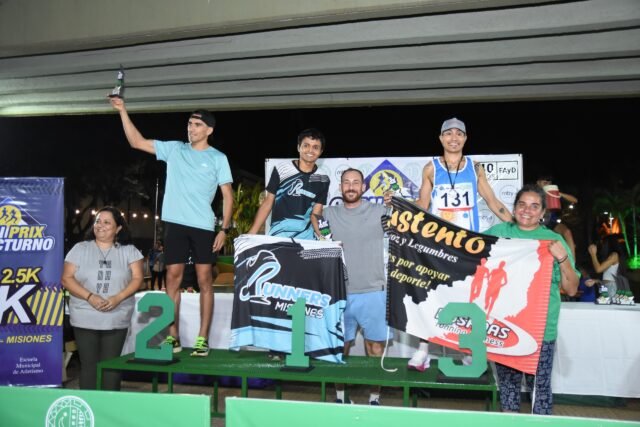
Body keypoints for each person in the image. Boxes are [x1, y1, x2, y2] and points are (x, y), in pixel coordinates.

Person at [110, 98, 234, 357]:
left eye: (197, 125)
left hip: (203, 226)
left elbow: (228, 195)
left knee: (204, 280)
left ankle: (202, 339)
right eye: (189, 123)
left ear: (209, 130)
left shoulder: (218, 158)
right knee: (172, 279)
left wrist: (224, 230)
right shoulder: (175, 149)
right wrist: (122, 111)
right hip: (175, 224)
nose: (191, 128)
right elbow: (136, 142)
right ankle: (173, 337)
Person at [406, 117, 513, 371]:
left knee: (468, 297)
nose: (453, 138)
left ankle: (468, 351)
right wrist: (400, 205)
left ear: (465, 138)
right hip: (439, 243)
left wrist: (517, 226)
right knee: (430, 295)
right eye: (448, 134)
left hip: (468, 245)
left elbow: (493, 202)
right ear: (441, 138)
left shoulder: (475, 168)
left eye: (458, 134)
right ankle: (423, 351)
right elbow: (423, 205)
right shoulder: (430, 168)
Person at [485, 184, 579, 415]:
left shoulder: (553, 240)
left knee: (540, 390)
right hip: (506, 327)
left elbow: (571, 289)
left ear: (543, 212)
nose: (527, 210)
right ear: (515, 207)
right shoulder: (497, 234)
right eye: (522, 204)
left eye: (534, 206)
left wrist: (562, 258)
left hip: (540, 330)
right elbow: (467, 259)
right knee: (508, 389)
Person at [324, 168, 389, 405]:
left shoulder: (380, 211)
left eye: (355, 182)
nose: (351, 186)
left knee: (375, 348)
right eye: (346, 182)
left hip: (373, 291)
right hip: (339, 293)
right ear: (340, 187)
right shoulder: (328, 213)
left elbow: (415, 214)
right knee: (339, 348)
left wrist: (398, 202)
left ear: (363, 187)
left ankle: (374, 399)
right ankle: (341, 398)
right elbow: (306, 220)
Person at [61, 206, 144, 390]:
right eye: (98, 221)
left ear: (118, 228)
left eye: (107, 222)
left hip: (116, 316)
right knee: (88, 366)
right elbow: (66, 278)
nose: (100, 225)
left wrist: (117, 298)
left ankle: (109, 405)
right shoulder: (79, 249)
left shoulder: (130, 251)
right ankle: (88, 405)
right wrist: (90, 297)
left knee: (111, 367)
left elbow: (138, 278)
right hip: (84, 316)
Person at [248, 128, 329, 239]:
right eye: (306, 145)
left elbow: (317, 214)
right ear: (298, 147)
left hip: (306, 240)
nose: (310, 150)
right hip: (279, 236)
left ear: (321, 151)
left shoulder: (323, 178)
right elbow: (268, 203)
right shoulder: (281, 169)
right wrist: (251, 234)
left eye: (315, 147)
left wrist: (327, 236)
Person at [536, 176, 578, 259]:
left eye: (549, 182)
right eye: (545, 182)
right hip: (537, 223)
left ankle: (572, 263)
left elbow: (575, 200)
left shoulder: (552, 193)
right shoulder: (534, 193)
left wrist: (559, 194)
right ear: (538, 182)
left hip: (551, 221)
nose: (547, 184)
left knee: (567, 232)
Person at [588, 234, 634, 305]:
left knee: (610, 309)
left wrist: (593, 254)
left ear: (607, 244)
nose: (601, 245)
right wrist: (596, 281)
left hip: (611, 287)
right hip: (606, 286)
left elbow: (598, 269)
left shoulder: (614, 255)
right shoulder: (610, 257)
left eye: (603, 243)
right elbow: (607, 277)